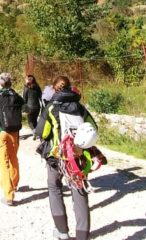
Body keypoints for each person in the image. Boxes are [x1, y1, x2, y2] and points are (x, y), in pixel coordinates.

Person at [36, 76, 98, 240]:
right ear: (71, 88)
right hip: (78, 157)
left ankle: (62, 231)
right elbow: (94, 127)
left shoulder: (51, 108)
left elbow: (41, 132)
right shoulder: (80, 107)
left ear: (54, 90)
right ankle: (82, 235)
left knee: (54, 187)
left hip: (57, 156)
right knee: (79, 190)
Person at [0, 72, 22, 206]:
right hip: (14, 132)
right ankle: (14, 184)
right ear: (10, 83)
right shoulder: (15, 96)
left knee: (3, 163)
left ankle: (8, 195)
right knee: (14, 159)